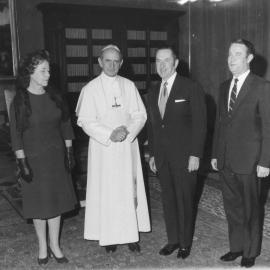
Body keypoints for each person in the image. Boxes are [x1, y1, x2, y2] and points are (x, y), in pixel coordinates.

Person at [75, 44, 150, 253]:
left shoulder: (129, 86)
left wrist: (127, 131)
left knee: (128, 189)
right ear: (100, 62)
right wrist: (110, 133)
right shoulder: (90, 89)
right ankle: (109, 237)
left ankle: (130, 234)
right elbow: (85, 121)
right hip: (103, 149)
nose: (112, 65)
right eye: (108, 60)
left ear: (122, 63)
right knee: (107, 191)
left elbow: (140, 115)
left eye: (116, 61)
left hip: (127, 146)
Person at [9, 50, 77, 265]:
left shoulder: (55, 96)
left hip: (56, 158)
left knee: (55, 203)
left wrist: (69, 152)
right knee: (39, 205)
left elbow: (66, 124)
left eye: (49, 70)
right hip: (33, 160)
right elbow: (16, 136)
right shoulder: (20, 100)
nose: (48, 75)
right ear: (30, 73)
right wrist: (22, 163)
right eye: (43, 71)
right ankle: (42, 245)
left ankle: (55, 245)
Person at [211, 38, 270, 268]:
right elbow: (220, 123)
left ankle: (250, 251)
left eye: (237, 54)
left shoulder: (262, 87)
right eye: (229, 54)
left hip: (251, 161)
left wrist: (266, 160)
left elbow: (268, 127)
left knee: (251, 209)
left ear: (249, 59)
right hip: (226, 159)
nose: (231, 59)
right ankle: (236, 247)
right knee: (232, 207)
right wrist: (216, 154)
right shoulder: (224, 86)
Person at [147, 46, 206, 259]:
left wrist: (195, 154)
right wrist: (152, 153)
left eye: (166, 60)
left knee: (185, 199)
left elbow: (200, 124)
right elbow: (153, 127)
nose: (162, 65)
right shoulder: (153, 91)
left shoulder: (190, 87)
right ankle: (173, 240)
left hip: (185, 157)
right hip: (162, 157)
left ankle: (185, 243)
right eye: (158, 61)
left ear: (176, 63)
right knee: (168, 199)